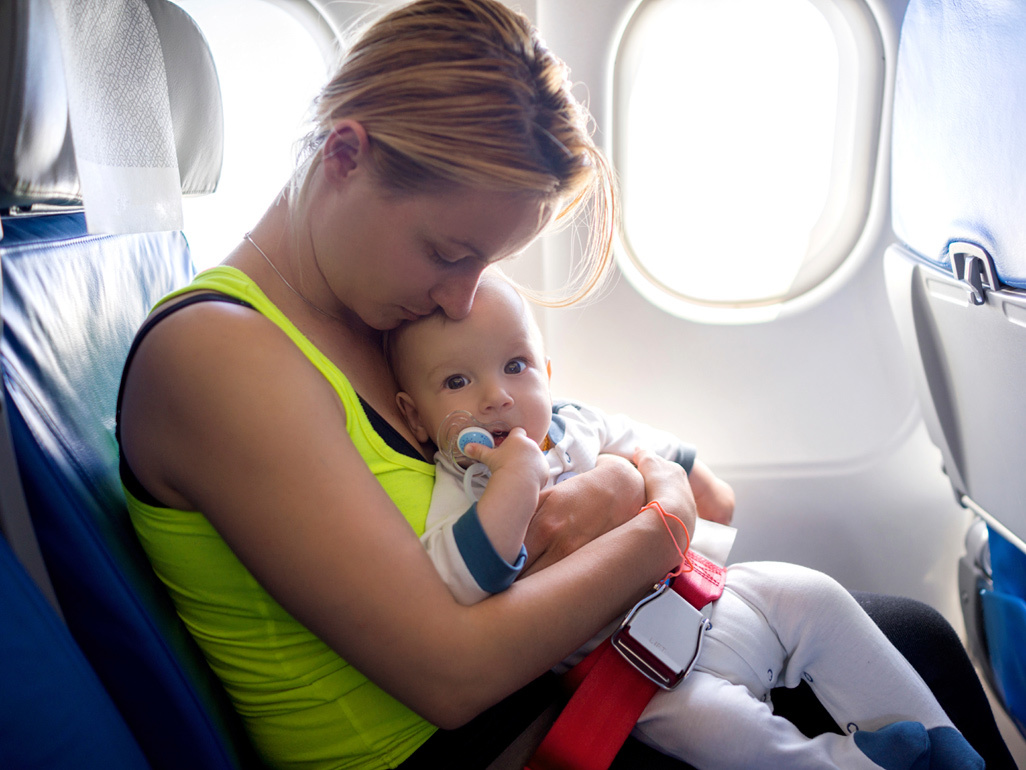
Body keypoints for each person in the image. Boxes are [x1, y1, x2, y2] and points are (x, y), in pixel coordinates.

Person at [115, 1, 1015, 768]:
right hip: (484, 741)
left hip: (565, 686)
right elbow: (453, 675)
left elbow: (667, 478)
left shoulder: (382, 311)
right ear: (345, 156)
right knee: (909, 648)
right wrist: (659, 525)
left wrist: (637, 484)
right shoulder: (218, 360)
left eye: (487, 265)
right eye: (447, 252)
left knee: (900, 628)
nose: (462, 297)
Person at [386, 272, 986, 769]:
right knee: (719, 732)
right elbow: (459, 580)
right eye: (458, 381)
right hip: (630, 668)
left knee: (812, 593)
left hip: (704, 591)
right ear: (416, 419)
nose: (498, 396)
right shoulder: (459, 488)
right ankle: (854, 763)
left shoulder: (577, 424)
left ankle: (942, 742)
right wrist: (515, 483)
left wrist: (659, 474)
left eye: (516, 366)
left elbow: (669, 460)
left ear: (547, 369)